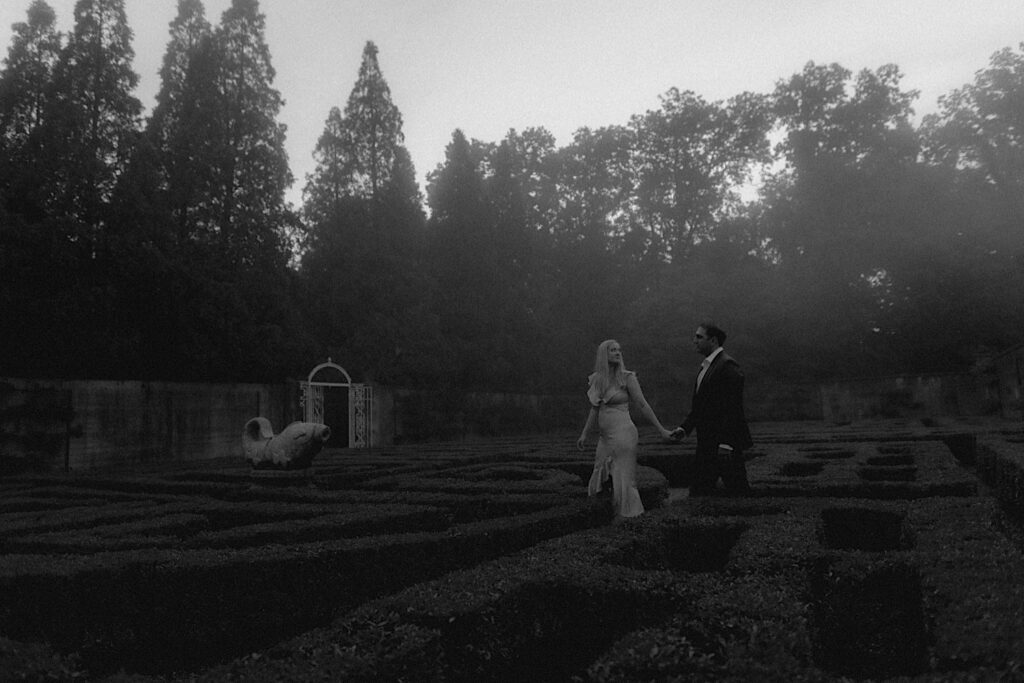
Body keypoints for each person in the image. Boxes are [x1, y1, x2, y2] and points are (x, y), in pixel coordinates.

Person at [577, 339, 674, 518]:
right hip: (605, 437)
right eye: (613, 350)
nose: (617, 352)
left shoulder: (627, 377)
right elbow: (594, 408)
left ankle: (630, 517)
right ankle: (603, 515)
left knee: (623, 477)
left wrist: (661, 429)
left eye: (619, 350)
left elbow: (642, 404)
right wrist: (584, 433)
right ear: (604, 354)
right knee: (600, 469)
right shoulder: (598, 379)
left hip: (624, 434)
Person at [671, 322, 754, 496]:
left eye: (699, 337)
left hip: (723, 446)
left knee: (739, 494)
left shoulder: (728, 367)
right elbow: (701, 406)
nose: (694, 340)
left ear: (714, 340)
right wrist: (684, 429)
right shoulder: (708, 366)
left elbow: (732, 409)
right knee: (700, 493)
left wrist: (726, 443)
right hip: (707, 443)